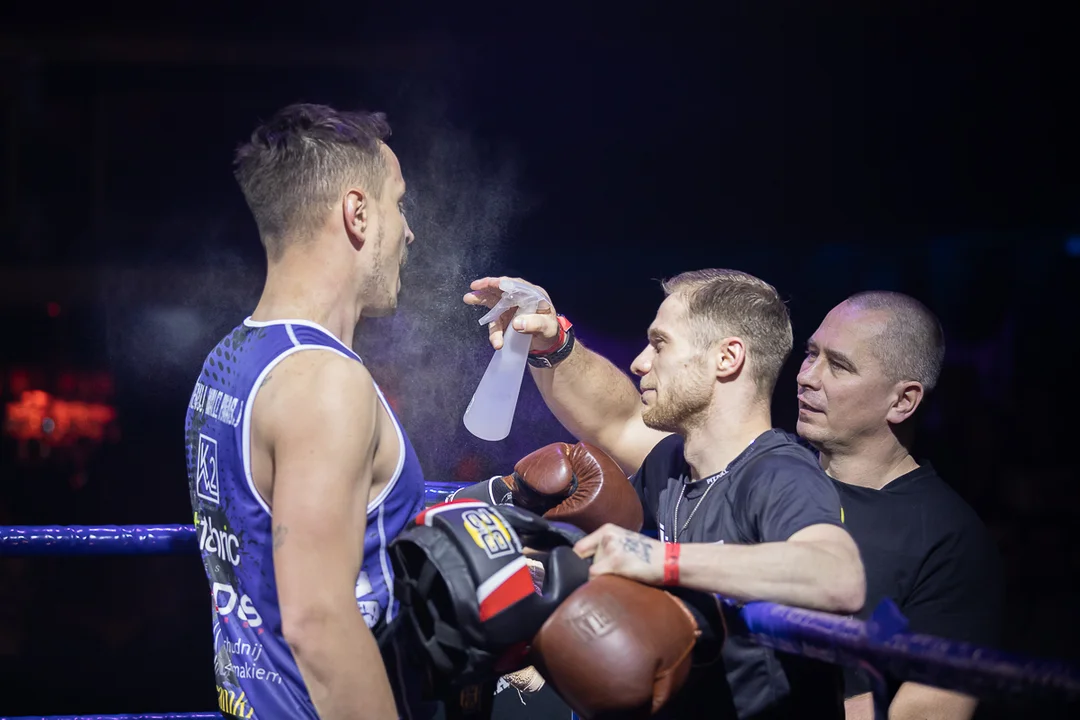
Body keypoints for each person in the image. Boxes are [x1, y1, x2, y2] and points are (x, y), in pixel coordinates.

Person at [462, 269, 867, 719]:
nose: (639, 362)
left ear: (727, 357)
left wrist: (661, 560)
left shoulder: (778, 471)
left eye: (659, 344)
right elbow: (616, 421)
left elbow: (840, 576)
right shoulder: (672, 465)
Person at [183, 102, 421, 720]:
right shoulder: (324, 382)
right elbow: (317, 621)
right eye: (399, 204)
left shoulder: (231, 356)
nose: (408, 231)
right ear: (358, 213)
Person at [795, 291, 1005, 720]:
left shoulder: (950, 541)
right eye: (810, 354)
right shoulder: (771, 474)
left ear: (902, 401)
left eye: (838, 365)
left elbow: (927, 712)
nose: (807, 377)